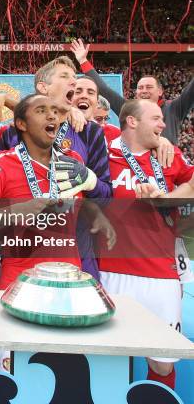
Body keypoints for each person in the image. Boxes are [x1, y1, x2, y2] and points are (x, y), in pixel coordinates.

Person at [98, 99, 194, 390]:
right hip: (111, 273)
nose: (163, 125)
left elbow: (191, 183)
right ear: (131, 121)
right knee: (106, 356)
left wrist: (166, 199)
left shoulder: (168, 154)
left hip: (160, 274)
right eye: (156, 118)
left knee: (163, 361)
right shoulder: (102, 153)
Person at [0, 56, 111, 279]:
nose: (74, 83)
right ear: (43, 87)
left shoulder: (89, 132)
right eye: (65, 76)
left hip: (78, 258)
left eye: (75, 78)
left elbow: (107, 196)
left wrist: (90, 180)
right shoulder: (13, 134)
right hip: (22, 258)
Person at [71, 38, 194, 144]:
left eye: (149, 87)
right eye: (140, 88)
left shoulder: (174, 109)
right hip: (136, 169)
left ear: (160, 91)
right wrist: (83, 60)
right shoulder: (128, 109)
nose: (144, 91)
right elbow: (104, 89)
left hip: (167, 169)